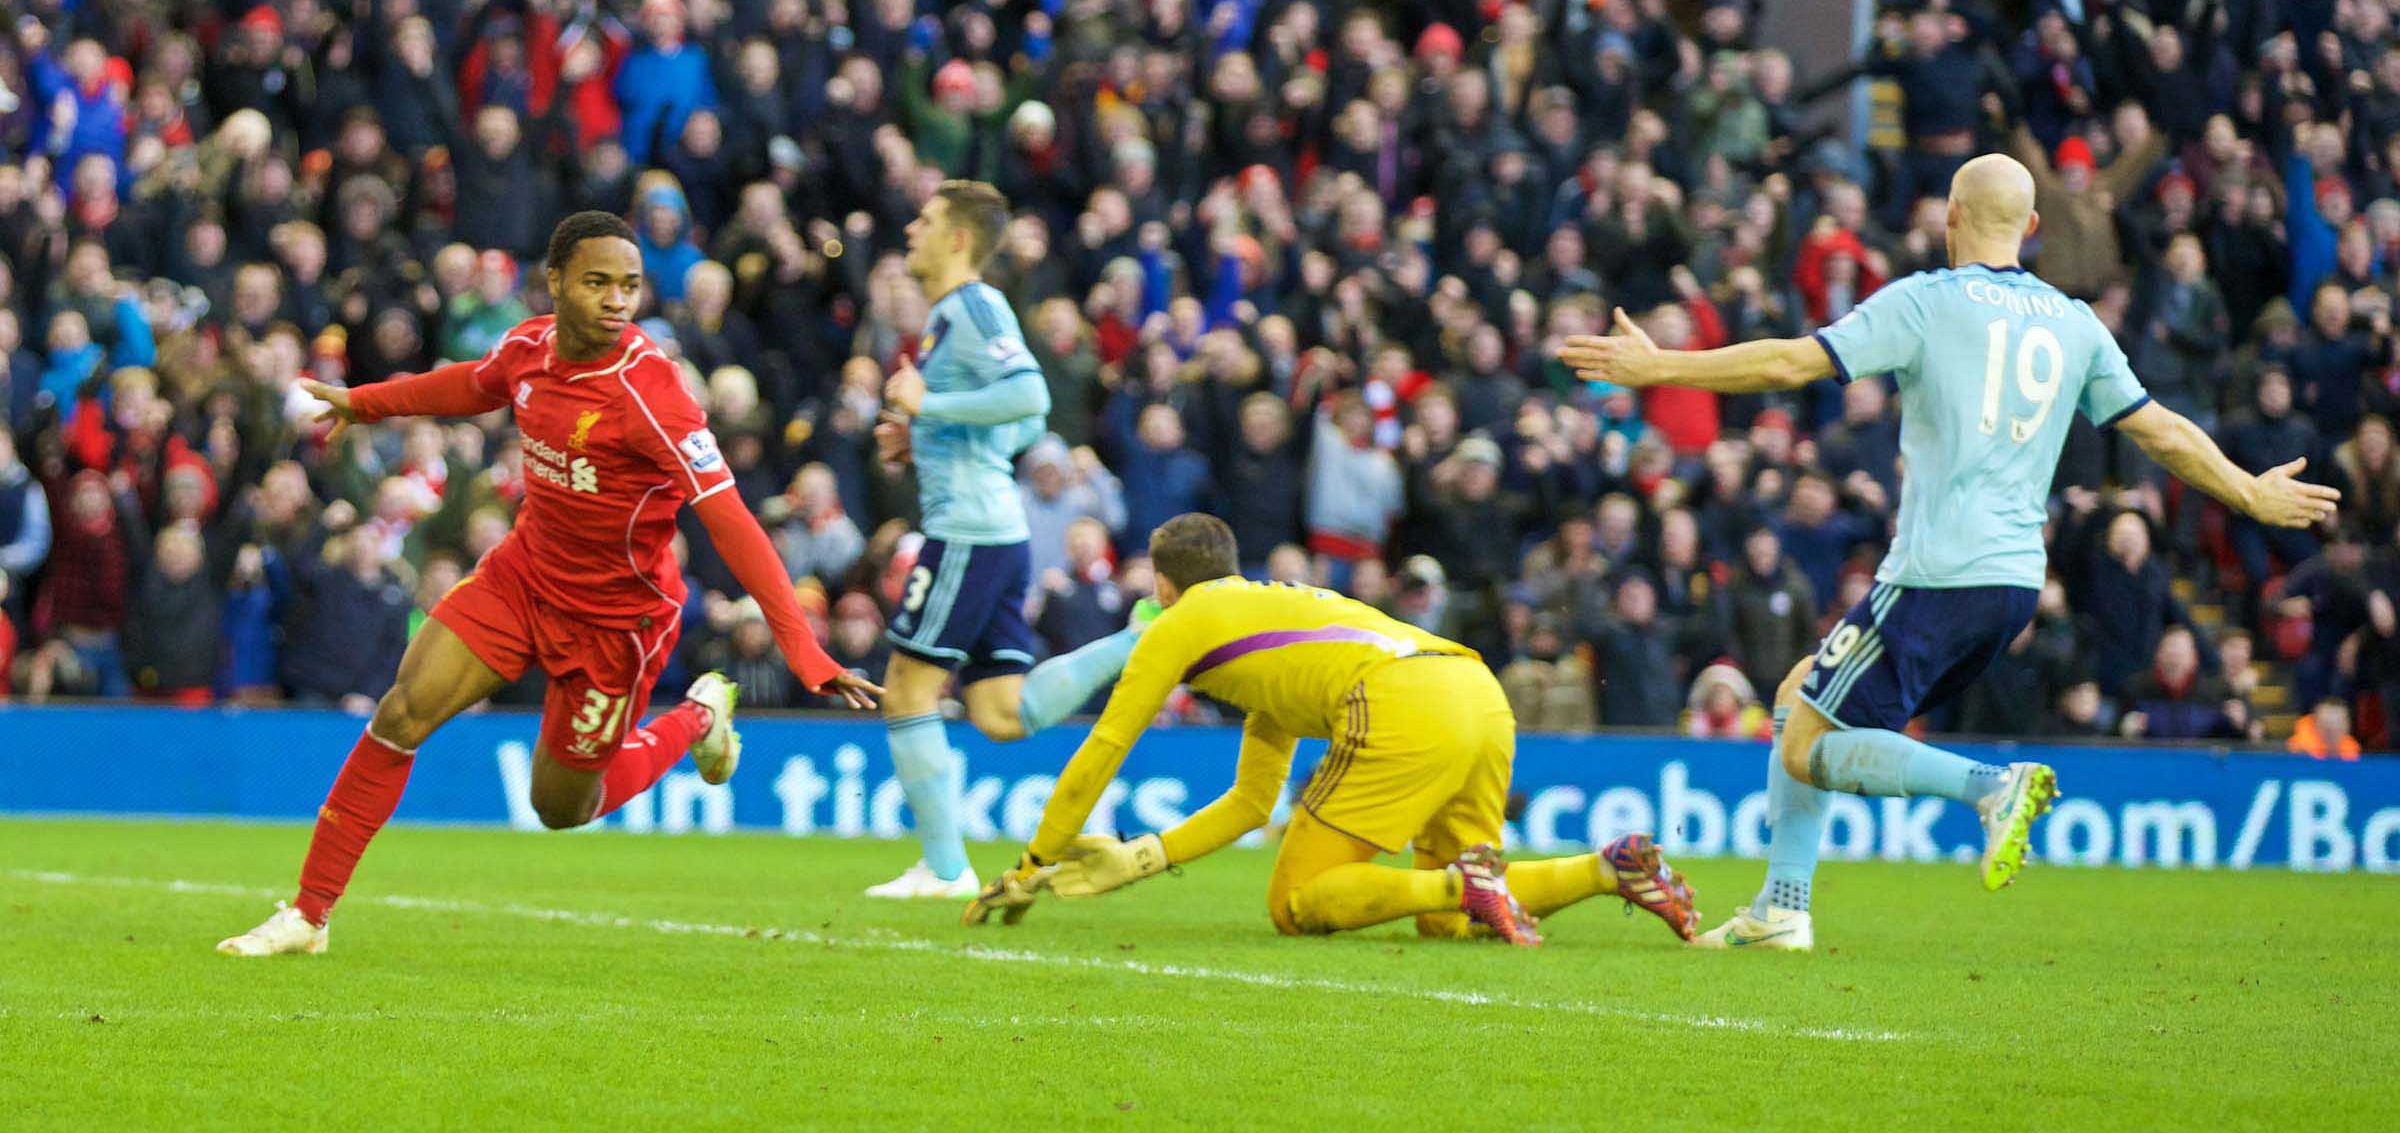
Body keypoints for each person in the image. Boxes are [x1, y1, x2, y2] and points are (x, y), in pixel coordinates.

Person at [1563, 151, 2340, 951]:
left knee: (1801, 742)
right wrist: (2249, 490)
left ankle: (1986, 790)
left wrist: (1661, 366)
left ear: (1950, 219)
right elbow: (2161, 430)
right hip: (2013, 585)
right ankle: (1781, 907)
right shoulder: (2076, 321)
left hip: (1936, 571)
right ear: (2033, 228)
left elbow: (1794, 362)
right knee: (1802, 693)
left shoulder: (1926, 303)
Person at [217, 213, 882, 957]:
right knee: (400, 714)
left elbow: (730, 521)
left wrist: (802, 646)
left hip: (615, 623)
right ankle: (309, 916)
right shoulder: (530, 345)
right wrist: (366, 402)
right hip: (524, 578)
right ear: (556, 281)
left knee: (563, 807)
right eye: (597, 282)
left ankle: (696, 720)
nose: (617, 301)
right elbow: (472, 385)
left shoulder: (652, 393)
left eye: (629, 286)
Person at [957, 513, 1699, 947]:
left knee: (1296, 903)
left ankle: (1462, 879)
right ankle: (1610, 869)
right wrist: (1142, 858)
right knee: (1448, 922)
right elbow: (1252, 802)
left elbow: (1104, 749)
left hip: (1404, 702)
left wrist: (1029, 868)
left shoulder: (1179, 624)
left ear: (1160, 585)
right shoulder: (1271, 623)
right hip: (1477, 692)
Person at [866, 181, 1152, 899]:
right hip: (992, 529)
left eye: (925, 221)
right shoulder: (950, 316)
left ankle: (943, 868)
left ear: (958, 238)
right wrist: (926, 430)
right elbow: (1019, 430)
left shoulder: (971, 305)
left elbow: (1031, 399)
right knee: (999, 712)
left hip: (967, 530)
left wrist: (931, 405)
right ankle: (1139, 641)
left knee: (906, 690)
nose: (911, 231)